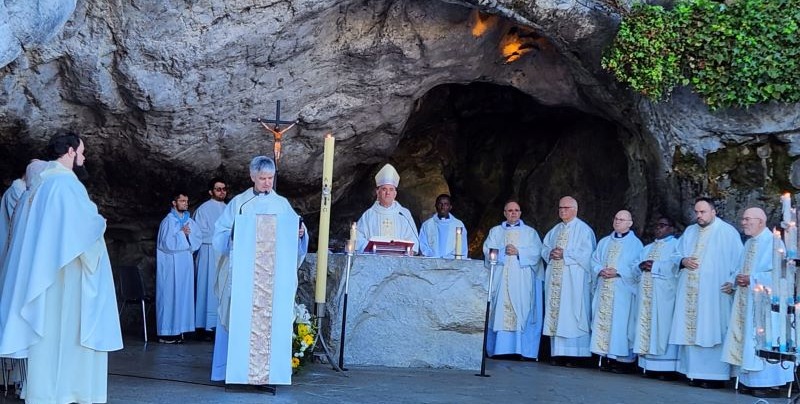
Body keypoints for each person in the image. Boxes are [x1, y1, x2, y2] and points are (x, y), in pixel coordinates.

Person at [0, 131, 122, 403]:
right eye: (82, 151)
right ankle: (71, 389)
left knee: (48, 337)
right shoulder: (66, 185)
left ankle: (45, 391)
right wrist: (100, 221)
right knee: (68, 334)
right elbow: (81, 230)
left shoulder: (39, 186)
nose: (84, 156)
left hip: (47, 274)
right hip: (67, 275)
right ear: (69, 151)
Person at [210, 156, 308, 382]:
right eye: (262, 178)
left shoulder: (282, 204)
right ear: (252, 176)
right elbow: (220, 234)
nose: (267, 183)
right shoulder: (240, 203)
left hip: (272, 280)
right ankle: (233, 373)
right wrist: (234, 236)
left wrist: (300, 235)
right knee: (237, 319)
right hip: (244, 279)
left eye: (270, 178)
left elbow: (296, 232)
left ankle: (272, 375)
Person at [670, 197, 743, 389]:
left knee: (711, 329)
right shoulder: (690, 231)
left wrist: (733, 281)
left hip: (714, 294)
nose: (699, 216)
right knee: (692, 330)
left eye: (703, 212)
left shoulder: (727, 232)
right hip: (690, 292)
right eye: (696, 212)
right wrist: (683, 260)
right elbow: (675, 254)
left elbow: (740, 261)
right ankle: (693, 373)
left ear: (713, 212)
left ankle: (715, 376)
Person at [721, 207, 793, 398]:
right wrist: (734, 281)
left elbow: (780, 274)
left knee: (762, 337)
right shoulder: (749, 243)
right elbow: (739, 268)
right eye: (743, 219)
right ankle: (748, 381)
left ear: (761, 221)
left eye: (747, 219)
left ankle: (769, 384)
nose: (743, 223)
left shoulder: (773, 243)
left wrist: (752, 279)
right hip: (746, 299)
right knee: (747, 339)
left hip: (765, 304)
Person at [481, 201, 544, 359]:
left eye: (516, 210)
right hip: (501, 278)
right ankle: (499, 350)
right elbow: (487, 250)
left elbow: (537, 253)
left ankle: (520, 350)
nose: (513, 213)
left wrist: (519, 252)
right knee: (500, 311)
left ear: (521, 213)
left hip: (522, 280)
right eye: (510, 210)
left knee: (521, 309)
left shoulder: (530, 233)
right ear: (504, 213)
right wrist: (502, 252)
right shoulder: (495, 231)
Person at [541, 196, 596, 367]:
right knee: (558, 313)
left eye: (566, 207)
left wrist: (565, 254)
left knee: (572, 314)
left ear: (575, 209)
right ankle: (558, 354)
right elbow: (544, 248)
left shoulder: (584, 230)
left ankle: (575, 355)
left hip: (574, 282)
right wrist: (550, 253)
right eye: (560, 208)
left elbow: (588, 255)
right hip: (556, 281)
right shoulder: (555, 230)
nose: (562, 210)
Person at [590, 210, 643, 373]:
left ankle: (622, 361)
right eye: (616, 218)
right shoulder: (604, 242)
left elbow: (637, 266)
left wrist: (618, 271)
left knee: (620, 324)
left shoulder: (636, 244)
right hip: (604, 287)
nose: (618, 222)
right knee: (604, 322)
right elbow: (594, 260)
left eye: (622, 219)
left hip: (623, 291)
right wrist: (600, 270)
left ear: (630, 223)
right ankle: (605, 357)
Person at [634, 216, 681, 378]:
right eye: (657, 225)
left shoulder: (677, 246)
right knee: (647, 326)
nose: (658, 228)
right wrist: (641, 266)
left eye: (662, 225)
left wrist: (656, 266)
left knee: (663, 328)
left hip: (665, 296)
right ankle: (648, 366)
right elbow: (635, 265)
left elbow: (676, 267)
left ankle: (666, 369)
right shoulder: (647, 248)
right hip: (647, 295)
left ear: (672, 228)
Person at [156, 192, 201, 343]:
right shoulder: (168, 222)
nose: (185, 203)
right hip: (171, 265)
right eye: (182, 201)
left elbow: (196, 241)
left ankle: (180, 329)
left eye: (186, 201)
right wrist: (182, 234)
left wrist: (187, 236)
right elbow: (166, 244)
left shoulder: (190, 222)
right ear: (174, 203)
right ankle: (167, 332)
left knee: (183, 296)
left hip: (185, 264)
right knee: (170, 296)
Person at [355, 163, 419, 254]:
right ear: (378, 192)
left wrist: (410, 251)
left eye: (391, 189)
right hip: (374, 262)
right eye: (384, 189)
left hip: (399, 262)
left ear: (395, 194)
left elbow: (413, 240)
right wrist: (372, 247)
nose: (388, 193)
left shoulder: (404, 214)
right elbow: (358, 238)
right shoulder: (368, 215)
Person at [192, 178, 227, 336]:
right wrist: (219, 236)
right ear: (210, 191)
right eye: (218, 189)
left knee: (221, 288)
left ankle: (219, 323)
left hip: (224, 254)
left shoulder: (228, 208)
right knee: (207, 287)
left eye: (223, 189)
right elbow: (198, 232)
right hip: (208, 252)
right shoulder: (203, 209)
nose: (222, 192)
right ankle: (203, 325)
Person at [419, 194, 468, 258]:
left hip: (452, 263)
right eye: (440, 204)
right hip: (431, 262)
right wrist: (433, 256)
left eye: (446, 204)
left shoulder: (458, 225)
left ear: (450, 207)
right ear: (436, 206)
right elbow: (422, 245)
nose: (443, 207)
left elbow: (462, 248)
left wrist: (447, 258)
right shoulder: (427, 225)